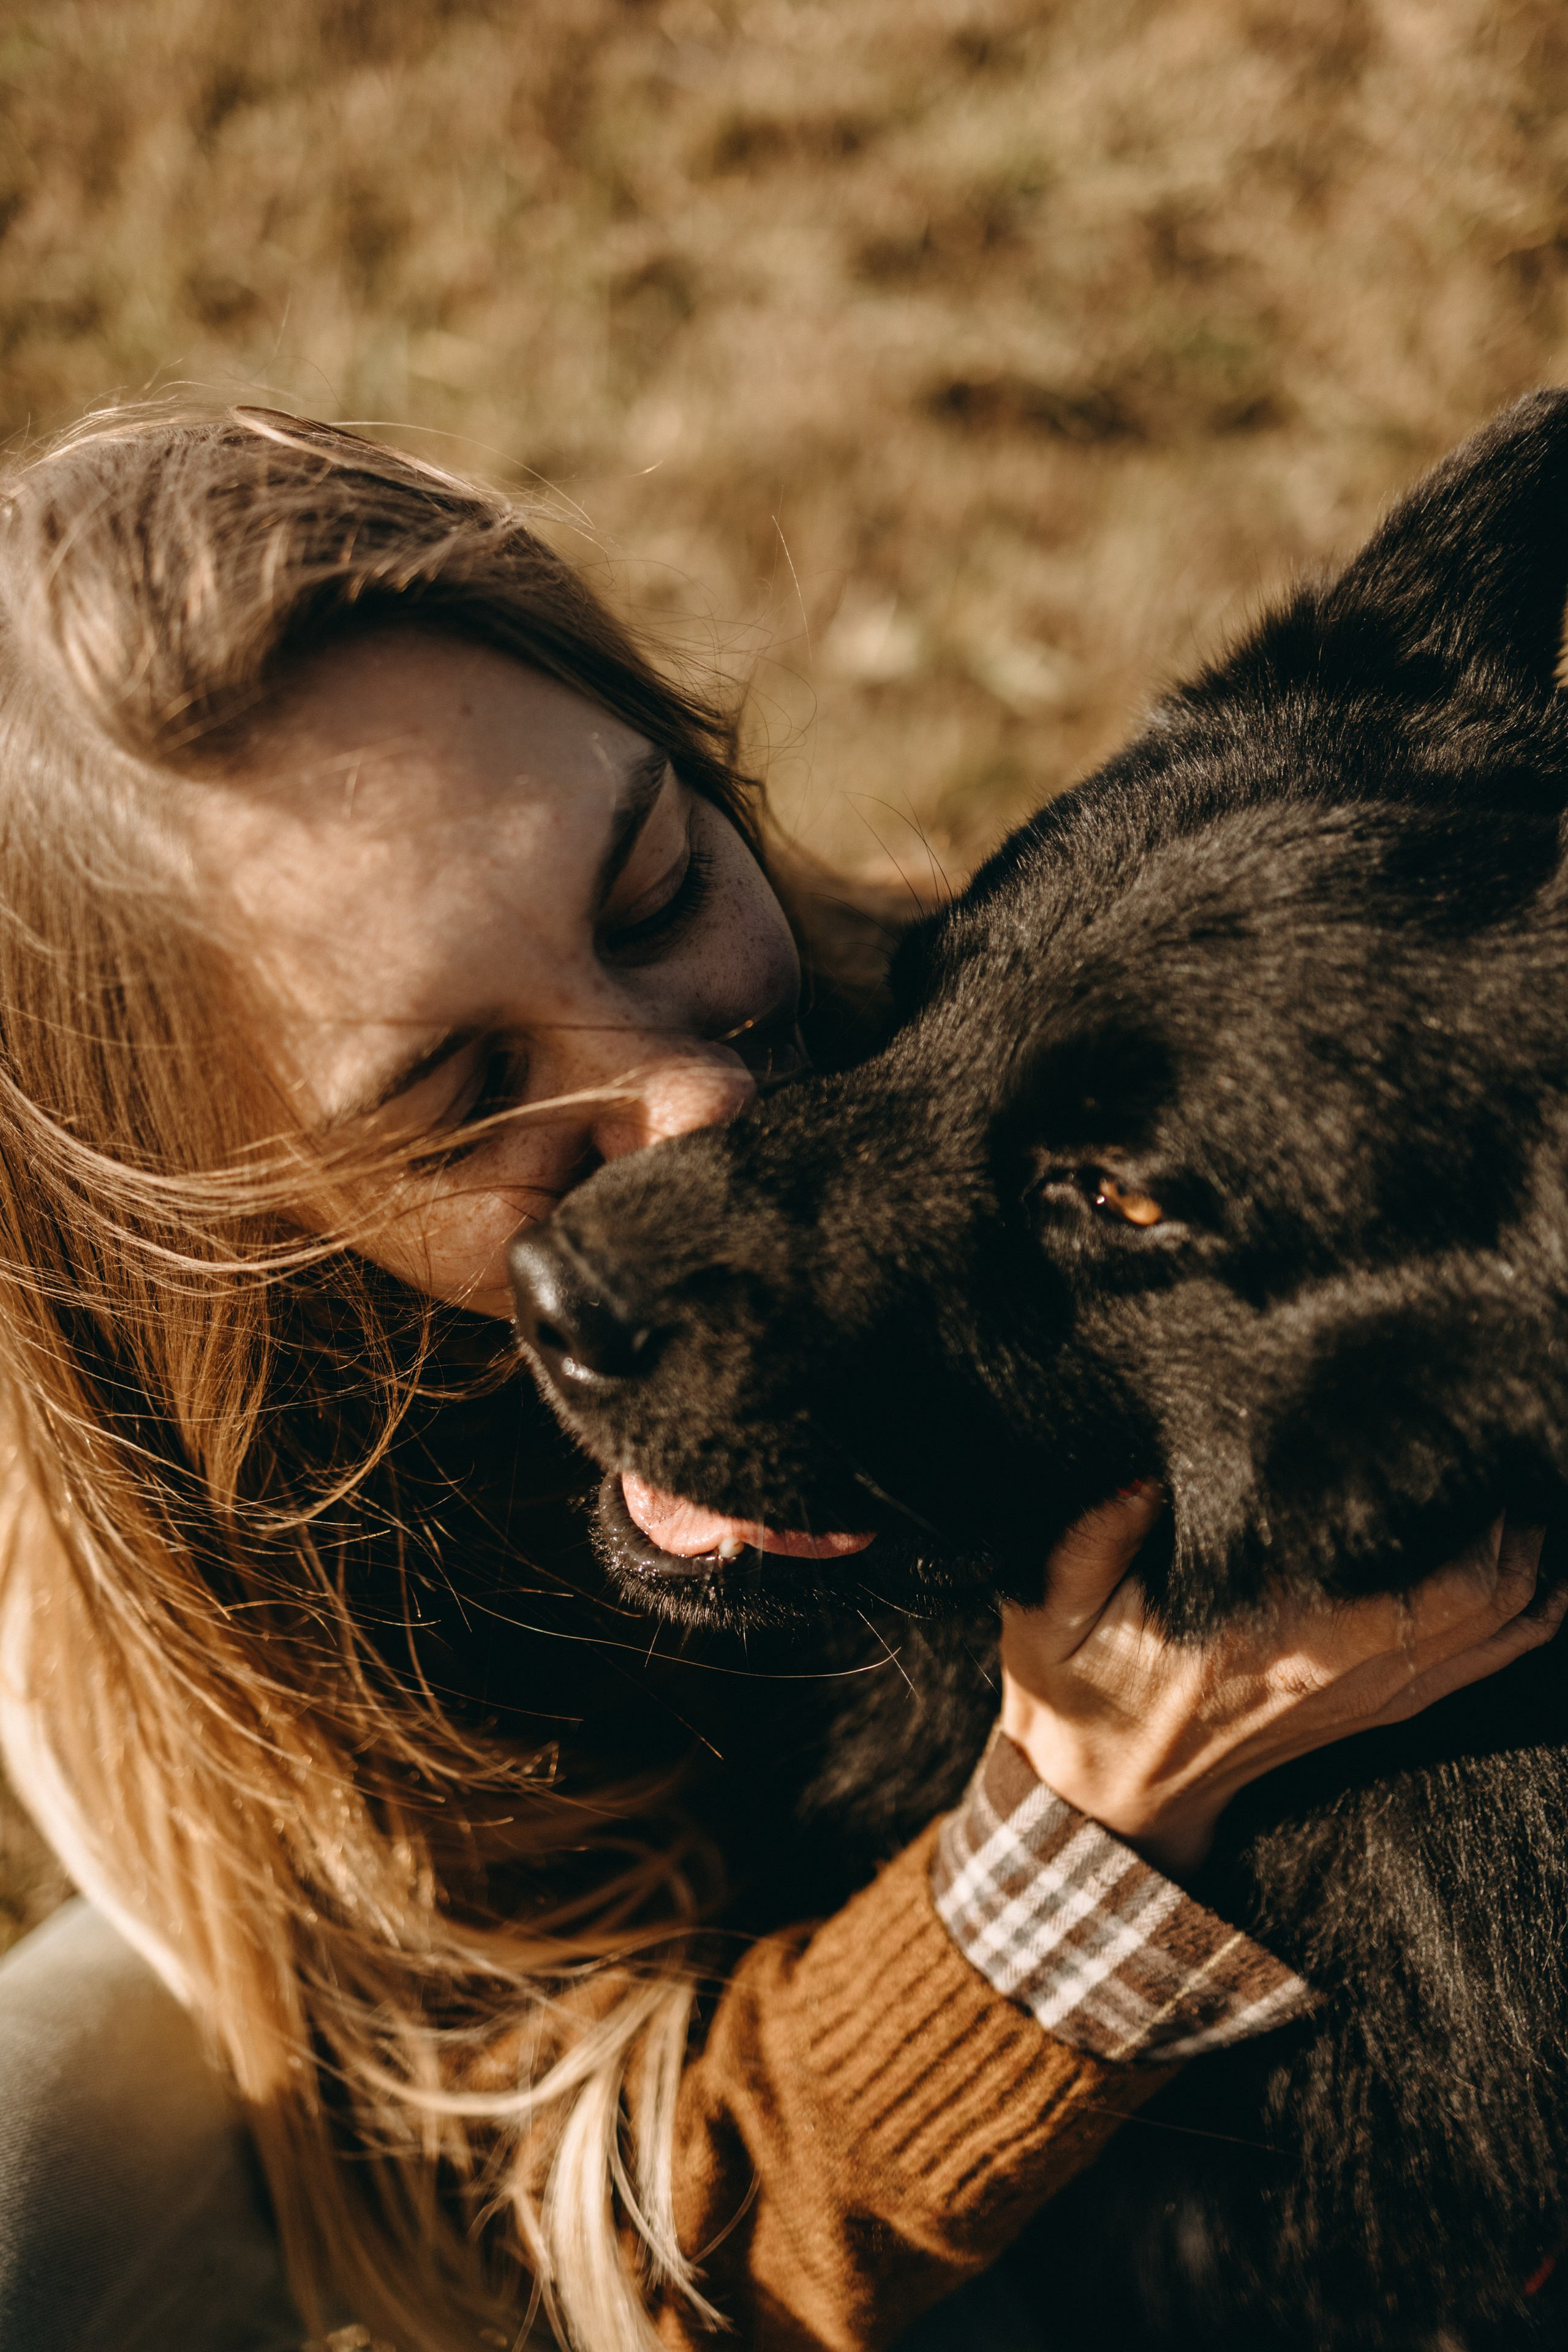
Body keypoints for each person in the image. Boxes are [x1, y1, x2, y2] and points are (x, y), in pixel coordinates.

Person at [0, 405, 1555, 2352]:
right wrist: (1079, 1817)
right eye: (460, 1096)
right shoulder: (228, 1641)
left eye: (654, 894)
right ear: (224, 1216)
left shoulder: (1004, 984)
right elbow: (574, 2262)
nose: (702, 1107)